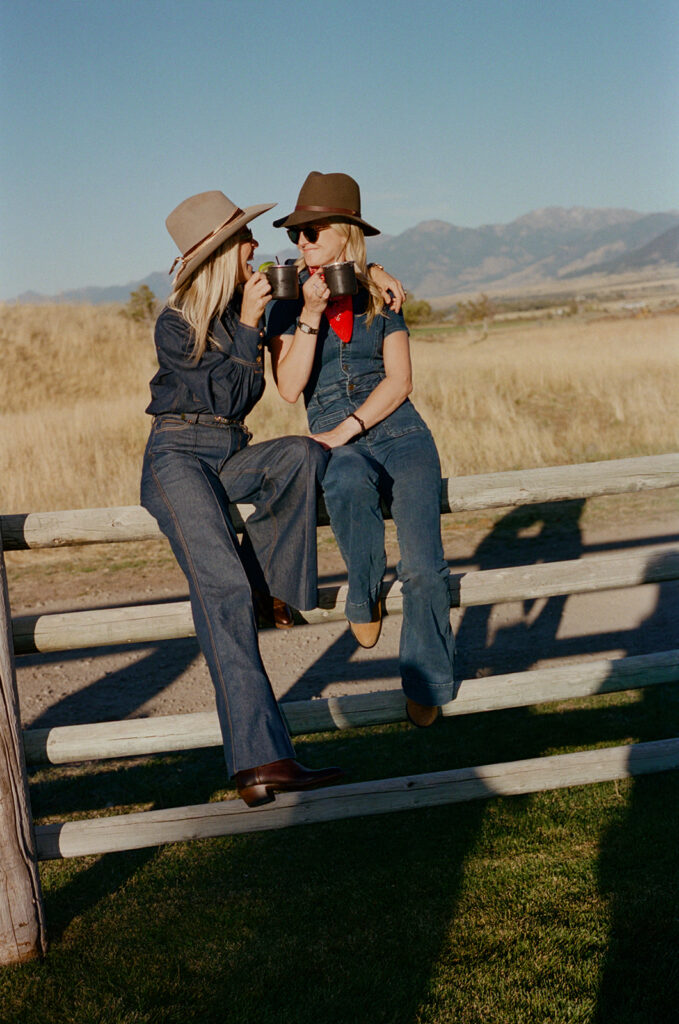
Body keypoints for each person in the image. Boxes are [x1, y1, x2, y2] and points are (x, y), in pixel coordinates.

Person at [140, 189, 345, 806]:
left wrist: (376, 274)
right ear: (220, 254)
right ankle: (261, 762)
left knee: (304, 454)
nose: (258, 246)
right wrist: (253, 326)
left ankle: (268, 587)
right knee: (221, 591)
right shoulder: (177, 323)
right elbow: (221, 397)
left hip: (229, 454)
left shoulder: (249, 308)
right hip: (176, 458)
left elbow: (330, 279)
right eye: (245, 239)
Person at [267, 172, 455, 728]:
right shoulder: (286, 297)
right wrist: (310, 313)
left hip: (399, 432)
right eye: (296, 233)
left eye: (312, 231)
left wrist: (372, 274)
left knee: (424, 566)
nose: (301, 242)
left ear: (345, 232)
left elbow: (399, 381)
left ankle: (427, 677)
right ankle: (363, 593)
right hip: (332, 434)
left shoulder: (382, 291)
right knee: (346, 481)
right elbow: (288, 387)